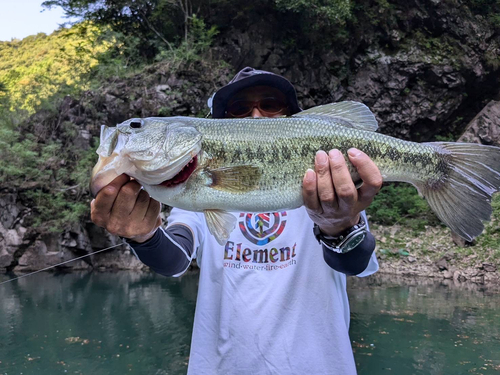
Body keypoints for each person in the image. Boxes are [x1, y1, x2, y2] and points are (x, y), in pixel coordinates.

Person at [91, 67, 383, 374]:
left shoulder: (329, 188)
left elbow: (355, 264)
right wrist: (143, 236)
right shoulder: (191, 188)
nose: (256, 116)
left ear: (291, 117)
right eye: (239, 109)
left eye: (271, 105)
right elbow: (174, 260)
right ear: (222, 124)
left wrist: (338, 227)